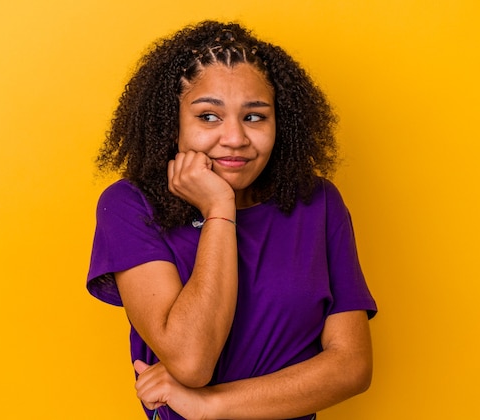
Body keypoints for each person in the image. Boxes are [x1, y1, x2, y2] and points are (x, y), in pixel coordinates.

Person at [87, 20, 377, 420]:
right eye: (209, 117)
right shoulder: (130, 206)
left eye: (255, 117)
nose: (236, 138)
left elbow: (352, 367)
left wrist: (211, 405)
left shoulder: (318, 203)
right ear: (172, 125)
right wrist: (219, 209)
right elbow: (192, 359)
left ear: (281, 125)